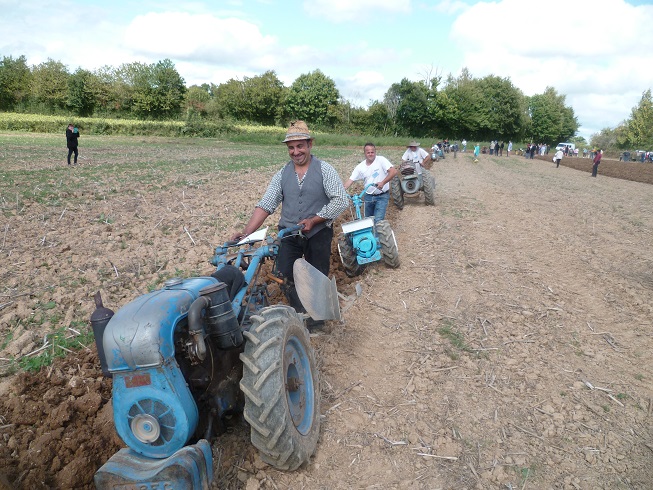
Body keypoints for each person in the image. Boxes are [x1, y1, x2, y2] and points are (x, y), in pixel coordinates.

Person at [232, 120, 349, 331]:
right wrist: (246, 232)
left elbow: (341, 200)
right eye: (291, 148)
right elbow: (266, 204)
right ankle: (301, 314)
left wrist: (315, 220)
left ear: (309, 144)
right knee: (285, 274)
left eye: (300, 146)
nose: (296, 152)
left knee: (317, 276)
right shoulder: (282, 174)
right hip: (289, 233)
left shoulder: (325, 170)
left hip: (318, 232)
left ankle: (317, 321)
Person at [344, 143, 398, 222]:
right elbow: (350, 180)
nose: (370, 154)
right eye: (368, 152)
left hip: (382, 196)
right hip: (368, 197)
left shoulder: (381, 160)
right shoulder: (360, 167)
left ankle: (378, 234)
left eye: (372, 152)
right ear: (365, 153)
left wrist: (383, 182)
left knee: (378, 220)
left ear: (375, 152)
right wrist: (342, 190)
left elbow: (393, 171)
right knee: (368, 221)